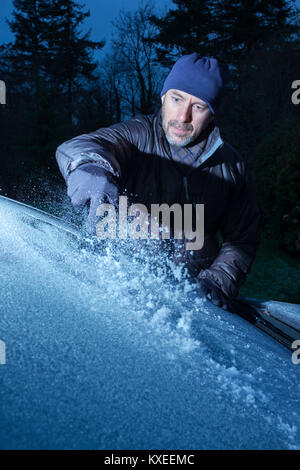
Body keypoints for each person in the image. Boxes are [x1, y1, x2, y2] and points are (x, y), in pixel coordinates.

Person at [55, 53, 261, 311]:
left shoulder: (232, 167)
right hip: (117, 280)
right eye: (177, 99)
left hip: (188, 302)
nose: (183, 116)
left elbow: (243, 238)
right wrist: (91, 169)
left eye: (198, 106)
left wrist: (218, 281)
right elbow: (80, 147)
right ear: (163, 97)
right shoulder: (137, 136)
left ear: (212, 113)